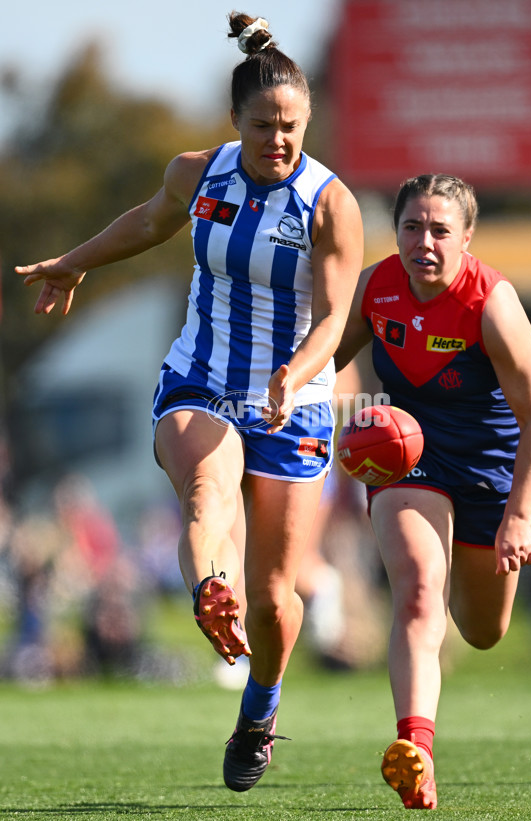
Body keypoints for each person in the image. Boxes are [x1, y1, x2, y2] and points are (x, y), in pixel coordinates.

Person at [16, 12, 363, 792]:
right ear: (235, 121)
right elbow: (146, 222)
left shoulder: (330, 203)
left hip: (292, 401)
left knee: (277, 597)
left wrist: (298, 370)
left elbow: (339, 313)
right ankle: (211, 588)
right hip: (199, 378)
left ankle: (260, 709)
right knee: (205, 490)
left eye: (294, 126)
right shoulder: (197, 174)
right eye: (266, 125)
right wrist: (73, 264)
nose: (281, 139)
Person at [335, 174, 531, 810]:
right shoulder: (377, 289)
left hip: (491, 473)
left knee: (484, 630)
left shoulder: (491, 302)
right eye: (412, 227)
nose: (424, 241)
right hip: (410, 460)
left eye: (439, 230)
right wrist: (294, 396)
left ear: (466, 238)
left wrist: (519, 516)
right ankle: (416, 751)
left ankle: (468, 574)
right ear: (396, 232)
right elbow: (328, 357)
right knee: (418, 589)